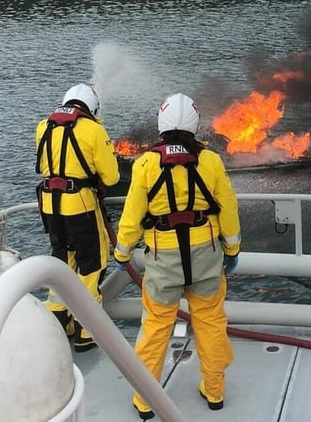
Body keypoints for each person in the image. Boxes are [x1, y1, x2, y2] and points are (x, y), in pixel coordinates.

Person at [113, 92, 241, 420]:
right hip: (206, 255)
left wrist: (122, 251)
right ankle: (214, 392)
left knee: (156, 327)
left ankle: (145, 401)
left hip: (162, 257)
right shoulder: (210, 161)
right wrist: (232, 249)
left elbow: (131, 217)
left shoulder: (144, 164)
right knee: (211, 322)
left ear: (161, 123)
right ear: (195, 125)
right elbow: (228, 209)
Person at [35, 83, 120, 352]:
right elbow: (112, 177)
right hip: (80, 205)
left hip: (50, 206)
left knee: (63, 260)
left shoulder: (43, 126)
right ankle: (87, 331)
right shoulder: (94, 130)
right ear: (92, 108)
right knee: (91, 263)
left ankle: (59, 322)